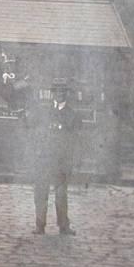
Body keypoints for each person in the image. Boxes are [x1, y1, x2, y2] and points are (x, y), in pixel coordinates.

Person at [32, 78, 81, 236]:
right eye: (57, 91)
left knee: (61, 194)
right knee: (41, 192)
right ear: (52, 93)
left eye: (63, 91)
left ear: (66, 94)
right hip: (44, 159)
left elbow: (75, 140)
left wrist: (71, 162)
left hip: (61, 161)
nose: (59, 94)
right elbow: (36, 133)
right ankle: (40, 225)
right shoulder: (43, 112)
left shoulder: (73, 115)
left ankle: (63, 226)